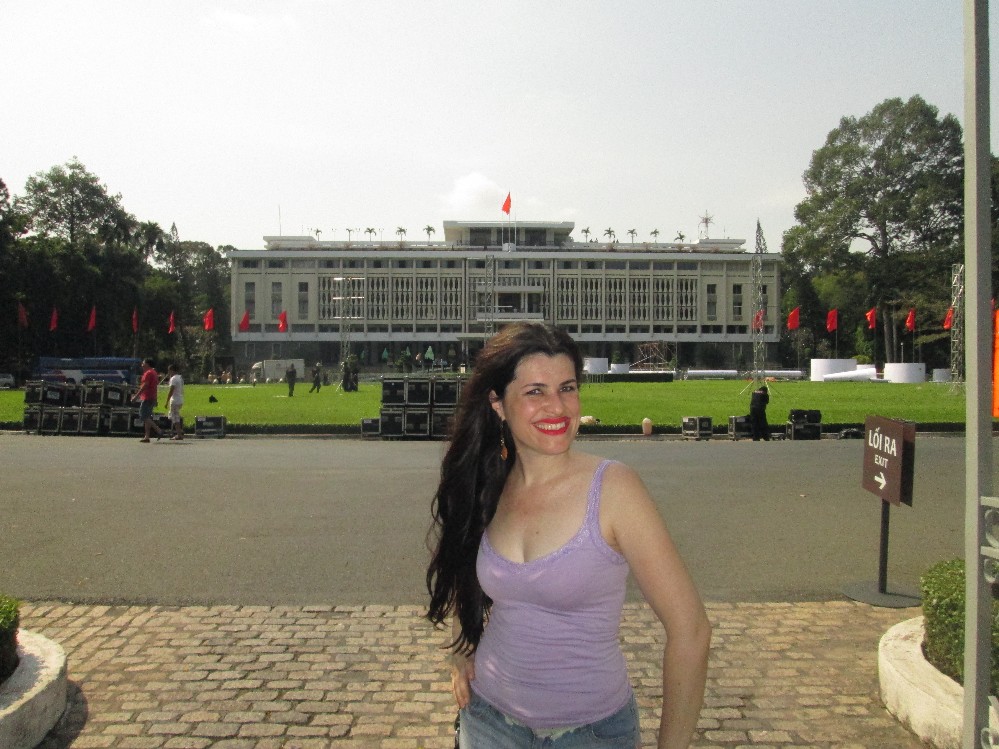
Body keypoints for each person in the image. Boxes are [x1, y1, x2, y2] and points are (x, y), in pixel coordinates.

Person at [426, 323, 710, 749]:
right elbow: (461, 563)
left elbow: (691, 630)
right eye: (535, 391)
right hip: (487, 722)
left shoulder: (614, 490)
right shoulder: (487, 482)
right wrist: (461, 646)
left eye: (567, 388)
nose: (557, 407)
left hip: (591, 734)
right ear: (498, 404)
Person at [131, 357, 163, 443]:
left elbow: (145, 385)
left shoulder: (148, 373)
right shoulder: (154, 372)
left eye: (143, 363)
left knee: (143, 416)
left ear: (147, 364)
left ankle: (158, 430)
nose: (142, 365)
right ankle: (147, 436)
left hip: (147, 397)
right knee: (147, 417)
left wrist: (136, 397)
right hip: (152, 397)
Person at [166, 364, 184, 441]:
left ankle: (179, 434)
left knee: (175, 418)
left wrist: (167, 401)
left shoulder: (173, 379)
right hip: (180, 399)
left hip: (174, 400)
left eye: (169, 371)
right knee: (175, 416)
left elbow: (171, 390)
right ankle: (179, 432)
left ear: (172, 370)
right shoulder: (180, 378)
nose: (168, 372)